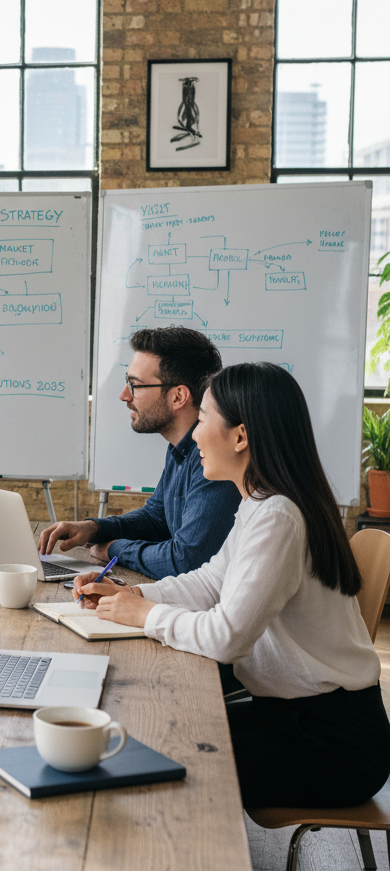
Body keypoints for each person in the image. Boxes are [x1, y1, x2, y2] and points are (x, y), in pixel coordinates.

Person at [72, 362, 390, 809]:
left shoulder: (279, 516)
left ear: (240, 436)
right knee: (153, 740)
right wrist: (136, 595)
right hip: (293, 714)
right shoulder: (261, 503)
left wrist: (146, 615)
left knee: (164, 769)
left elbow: (228, 639)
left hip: (334, 744)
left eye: (203, 419)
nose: (196, 434)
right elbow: (210, 581)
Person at [38, 327, 241, 577]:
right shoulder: (179, 450)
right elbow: (157, 519)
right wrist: (95, 528)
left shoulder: (215, 461)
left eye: (135, 385)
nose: (124, 395)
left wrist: (116, 549)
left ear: (178, 396)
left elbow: (186, 560)